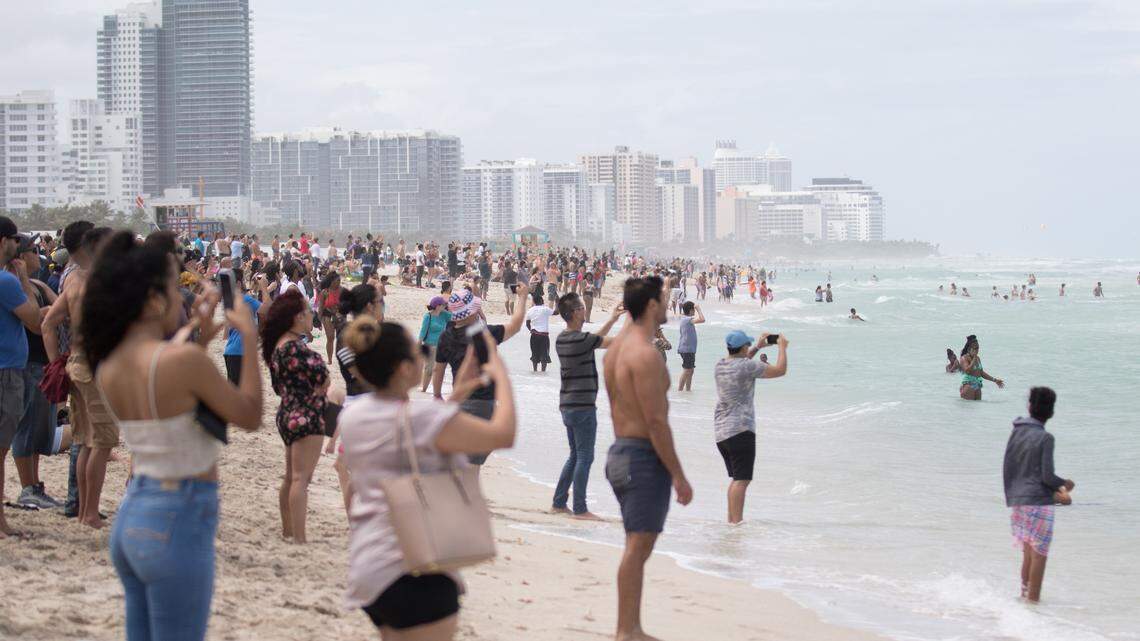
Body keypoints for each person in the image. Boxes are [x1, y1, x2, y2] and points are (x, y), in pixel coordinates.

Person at [80, 231, 262, 640]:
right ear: (151, 300)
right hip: (178, 514)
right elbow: (249, 414)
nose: (179, 298)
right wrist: (248, 338)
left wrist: (197, 331)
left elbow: (162, 378)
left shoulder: (109, 363)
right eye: (172, 288)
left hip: (135, 513)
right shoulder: (180, 362)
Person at [338, 317, 517, 640]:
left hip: (371, 566)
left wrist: (459, 390)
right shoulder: (421, 418)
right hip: (414, 566)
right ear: (404, 368)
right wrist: (501, 375)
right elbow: (502, 434)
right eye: (420, 350)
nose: (425, 356)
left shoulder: (354, 416)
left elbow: (413, 433)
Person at [601, 276, 693, 641]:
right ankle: (627, 630)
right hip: (641, 457)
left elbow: (637, 316)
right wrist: (679, 476)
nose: (668, 305)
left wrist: (659, 288)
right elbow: (656, 422)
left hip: (619, 453)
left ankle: (631, 627)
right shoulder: (646, 356)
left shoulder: (618, 349)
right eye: (663, 300)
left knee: (635, 546)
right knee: (638, 547)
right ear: (652, 306)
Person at [43, 226, 116, 529]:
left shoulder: (71, 279)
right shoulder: (93, 283)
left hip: (76, 362)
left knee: (86, 441)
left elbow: (48, 323)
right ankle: (88, 512)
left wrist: (56, 364)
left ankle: (87, 510)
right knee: (103, 441)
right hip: (95, 365)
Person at [432, 282, 529, 466]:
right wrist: (523, 297)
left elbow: (439, 368)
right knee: (473, 464)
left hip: (458, 401)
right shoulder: (484, 334)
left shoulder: (446, 336)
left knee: (461, 459)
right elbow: (515, 325)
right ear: (472, 312)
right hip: (483, 404)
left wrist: (437, 394)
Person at [262, 289, 329, 544]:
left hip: (287, 411)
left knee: (291, 476)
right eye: (308, 312)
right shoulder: (297, 349)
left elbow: (278, 387)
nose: (311, 315)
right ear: (297, 318)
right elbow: (323, 380)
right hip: (306, 414)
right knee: (302, 479)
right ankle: (299, 537)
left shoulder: (278, 347)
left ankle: (288, 530)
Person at [551, 293, 623, 519]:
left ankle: (559, 502)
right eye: (581, 308)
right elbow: (612, 343)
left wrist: (612, 319)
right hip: (582, 406)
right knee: (584, 457)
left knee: (575, 455)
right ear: (575, 313)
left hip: (567, 404)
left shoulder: (564, 338)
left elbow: (594, 340)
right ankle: (580, 508)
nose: (585, 310)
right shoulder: (582, 340)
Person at [0, 219, 50, 537]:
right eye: (16, 241)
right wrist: (23, 280)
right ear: (4, 241)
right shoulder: (7, 281)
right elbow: (34, 322)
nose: (18, 247)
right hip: (6, 372)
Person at [1003, 387, 1074, 603]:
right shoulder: (1045, 438)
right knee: (1039, 556)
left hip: (1018, 501)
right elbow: (1047, 477)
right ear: (1051, 412)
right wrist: (1066, 483)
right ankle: (1033, 605)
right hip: (1038, 503)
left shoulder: (1017, 430)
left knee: (1027, 555)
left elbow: (1008, 465)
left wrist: (1012, 493)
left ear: (1029, 406)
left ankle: (1024, 598)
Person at [712, 330, 788, 524]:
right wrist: (782, 347)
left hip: (721, 432)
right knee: (742, 479)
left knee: (737, 479)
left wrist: (757, 347)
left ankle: (731, 521)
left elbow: (742, 361)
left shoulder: (720, 365)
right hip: (740, 430)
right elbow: (780, 370)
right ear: (744, 347)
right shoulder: (747, 367)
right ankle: (736, 523)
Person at [11, 234, 63, 510]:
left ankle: (35, 485)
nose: (37, 255)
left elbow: (59, 308)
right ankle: (27, 487)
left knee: (40, 428)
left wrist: (46, 311)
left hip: (43, 362)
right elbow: (34, 319)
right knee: (27, 428)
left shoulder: (39, 283)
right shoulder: (16, 286)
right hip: (28, 361)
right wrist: (43, 311)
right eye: (31, 251)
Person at [418, 296, 451, 392]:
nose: (445, 306)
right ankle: (424, 389)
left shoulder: (444, 315)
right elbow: (422, 331)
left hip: (442, 346)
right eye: (443, 305)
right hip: (430, 345)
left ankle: (436, 391)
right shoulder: (428, 316)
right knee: (429, 368)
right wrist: (418, 344)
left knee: (438, 369)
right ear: (437, 306)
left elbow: (456, 317)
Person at [959, 334, 1004, 400]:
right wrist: (974, 359)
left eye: (978, 348)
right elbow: (967, 371)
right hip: (968, 386)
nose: (977, 350)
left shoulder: (978, 358)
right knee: (968, 408)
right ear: (969, 349)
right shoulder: (964, 358)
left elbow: (981, 373)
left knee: (978, 408)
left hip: (978, 386)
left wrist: (995, 380)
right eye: (975, 348)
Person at [676, 301, 705, 392]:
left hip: (688, 349)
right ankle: (680, 390)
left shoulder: (685, 319)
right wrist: (699, 309)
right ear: (691, 310)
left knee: (690, 370)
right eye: (694, 310)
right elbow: (702, 319)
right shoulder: (687, 320)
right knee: (687, 370)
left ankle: (688, 390)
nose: (695, 312)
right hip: (687, 349)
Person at [317, 272, 344, 363]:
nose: (339, 282)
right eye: (338, 280)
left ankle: (341, 358)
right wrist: (319, 321)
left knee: (341, 338)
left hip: (340, 315)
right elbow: (320, 308)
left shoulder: (342, 290)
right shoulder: (324, 292)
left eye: (340, 280)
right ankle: (329, 359)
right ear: (331, 281)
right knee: (330, 337)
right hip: (327, 315)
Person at [525, 296, 555, 373]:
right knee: (544, 355)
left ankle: (535, 371)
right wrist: (558, 303)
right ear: (541, 301)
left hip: (534, 335)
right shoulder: (545, 309)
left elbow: (527, 323)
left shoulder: (530, 310)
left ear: (534, 302)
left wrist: (531, 330)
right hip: (543, 336)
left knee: (534, 354)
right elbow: (556, 312)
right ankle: (543, 373)